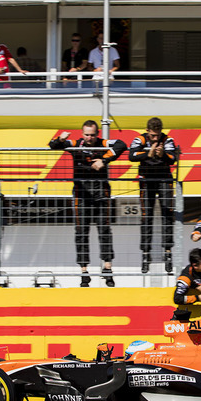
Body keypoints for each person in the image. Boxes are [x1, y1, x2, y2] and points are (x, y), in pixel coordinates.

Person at [48, 120, 126, 287]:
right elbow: (53, 146)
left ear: (97, 134)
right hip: (81, 194)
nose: (89, 138)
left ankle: (107, 269)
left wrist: (103, 160)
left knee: (104, 229)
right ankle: (84, 272)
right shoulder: (76, 143)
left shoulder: (104, 143)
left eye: (92, 135)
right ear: (82, 133)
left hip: (101, 193)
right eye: (86, 134)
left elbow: (121, 144)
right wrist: (61, 139)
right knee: (81, 232)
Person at [128, 117, 177, 274]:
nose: (155, 138)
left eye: (157, 135)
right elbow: (131, 156)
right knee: (146, 217)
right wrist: (147, 154)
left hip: (164, 179)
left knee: (167, 215)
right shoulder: (139, 139)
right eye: (153, 135)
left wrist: (162, 154)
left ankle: (168, 253)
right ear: (147, 131)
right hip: (146, 180)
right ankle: (145, 254)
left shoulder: (168, 139)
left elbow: (173, 158)